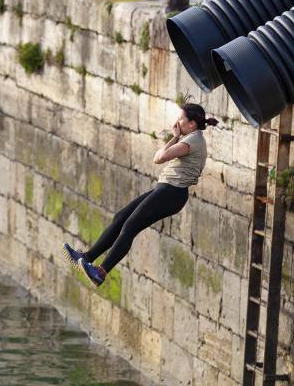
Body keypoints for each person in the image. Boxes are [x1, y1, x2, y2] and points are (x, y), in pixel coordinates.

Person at [63, 104, 219, 287]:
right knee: (122, 217)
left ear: (192, 124)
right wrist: (176, 137)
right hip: (167, 190)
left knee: (130, 226)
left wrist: (175, 138)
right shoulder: (189, 138)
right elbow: (157, 158)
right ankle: (87, 257)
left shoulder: (192, 141)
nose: (177, 122)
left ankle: (100, 272)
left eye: (181, 119)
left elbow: (161, 158)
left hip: (172, 193)